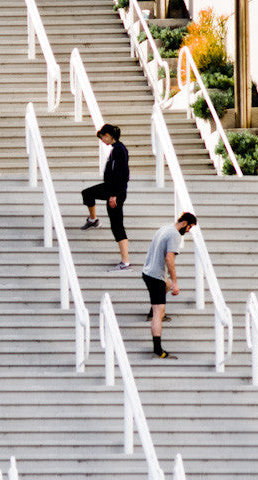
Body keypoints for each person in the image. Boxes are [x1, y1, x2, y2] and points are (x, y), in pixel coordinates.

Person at [142, 212, 197, 359]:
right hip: (155, 277)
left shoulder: (166, 228)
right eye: (189, 227)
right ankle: (158, 349)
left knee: (167, 284)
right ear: (184, 223)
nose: (189, 231)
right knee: (159, 312)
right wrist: (175, 282)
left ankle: (152, 312)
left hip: (148, 271)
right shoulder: (175, 235)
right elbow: (169, 258)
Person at [80, 123, 131, 271]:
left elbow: (122, 174)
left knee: (117, 225)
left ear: (108, 136)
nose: (102, 141)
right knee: (87, 193)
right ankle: (93, 220)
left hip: (115, 192)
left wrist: (114, 195)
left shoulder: (120, 150)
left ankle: (125, 262)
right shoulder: (116, 149)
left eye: (102, 137)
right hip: (109, 189)